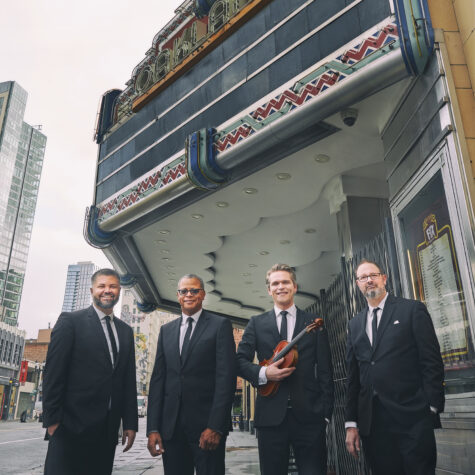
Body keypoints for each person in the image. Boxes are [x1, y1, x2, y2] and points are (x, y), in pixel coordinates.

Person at [345, 259, 445, 475]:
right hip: (373, 424)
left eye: (373, 275)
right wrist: (351, 422)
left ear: (384, 278)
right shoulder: (354, 324)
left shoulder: (412, 310)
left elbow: (432, 361)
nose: (369, 280)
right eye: (363, 277)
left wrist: (431, 407)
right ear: (358, 284)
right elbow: (354, 377)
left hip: (413, 418)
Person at [237, 263, 334, 475]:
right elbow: (240, 362)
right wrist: (264, 373)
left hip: (310, 418)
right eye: (275, 283)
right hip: (270, 418)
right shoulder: (256, 323)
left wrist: (325, 414)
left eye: (285, 282)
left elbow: (326, 371)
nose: (280, 286)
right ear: (269, 289)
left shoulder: (313, 323)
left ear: (295, 287)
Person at [42, 268, 138, 475]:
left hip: (107, 431)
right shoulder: (71, 322)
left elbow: (127, 380)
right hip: (70, 428)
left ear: (119, 290)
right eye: (102, 286)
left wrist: (130, 423)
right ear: (92, 289)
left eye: (112, 286)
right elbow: (53, 373)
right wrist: (53, 422)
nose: (107, 290)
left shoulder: (125, 331)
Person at [147, 274, 236, 475]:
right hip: (171, 430)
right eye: (184, 291)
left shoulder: (220, 325)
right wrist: (153, 428)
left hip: (207, 430)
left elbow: (226, 379)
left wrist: (216, 426)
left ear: (203, 294)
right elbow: (158, 380)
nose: (189, 294)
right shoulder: (166, 331)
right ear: (178, 296)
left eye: (194, 290)